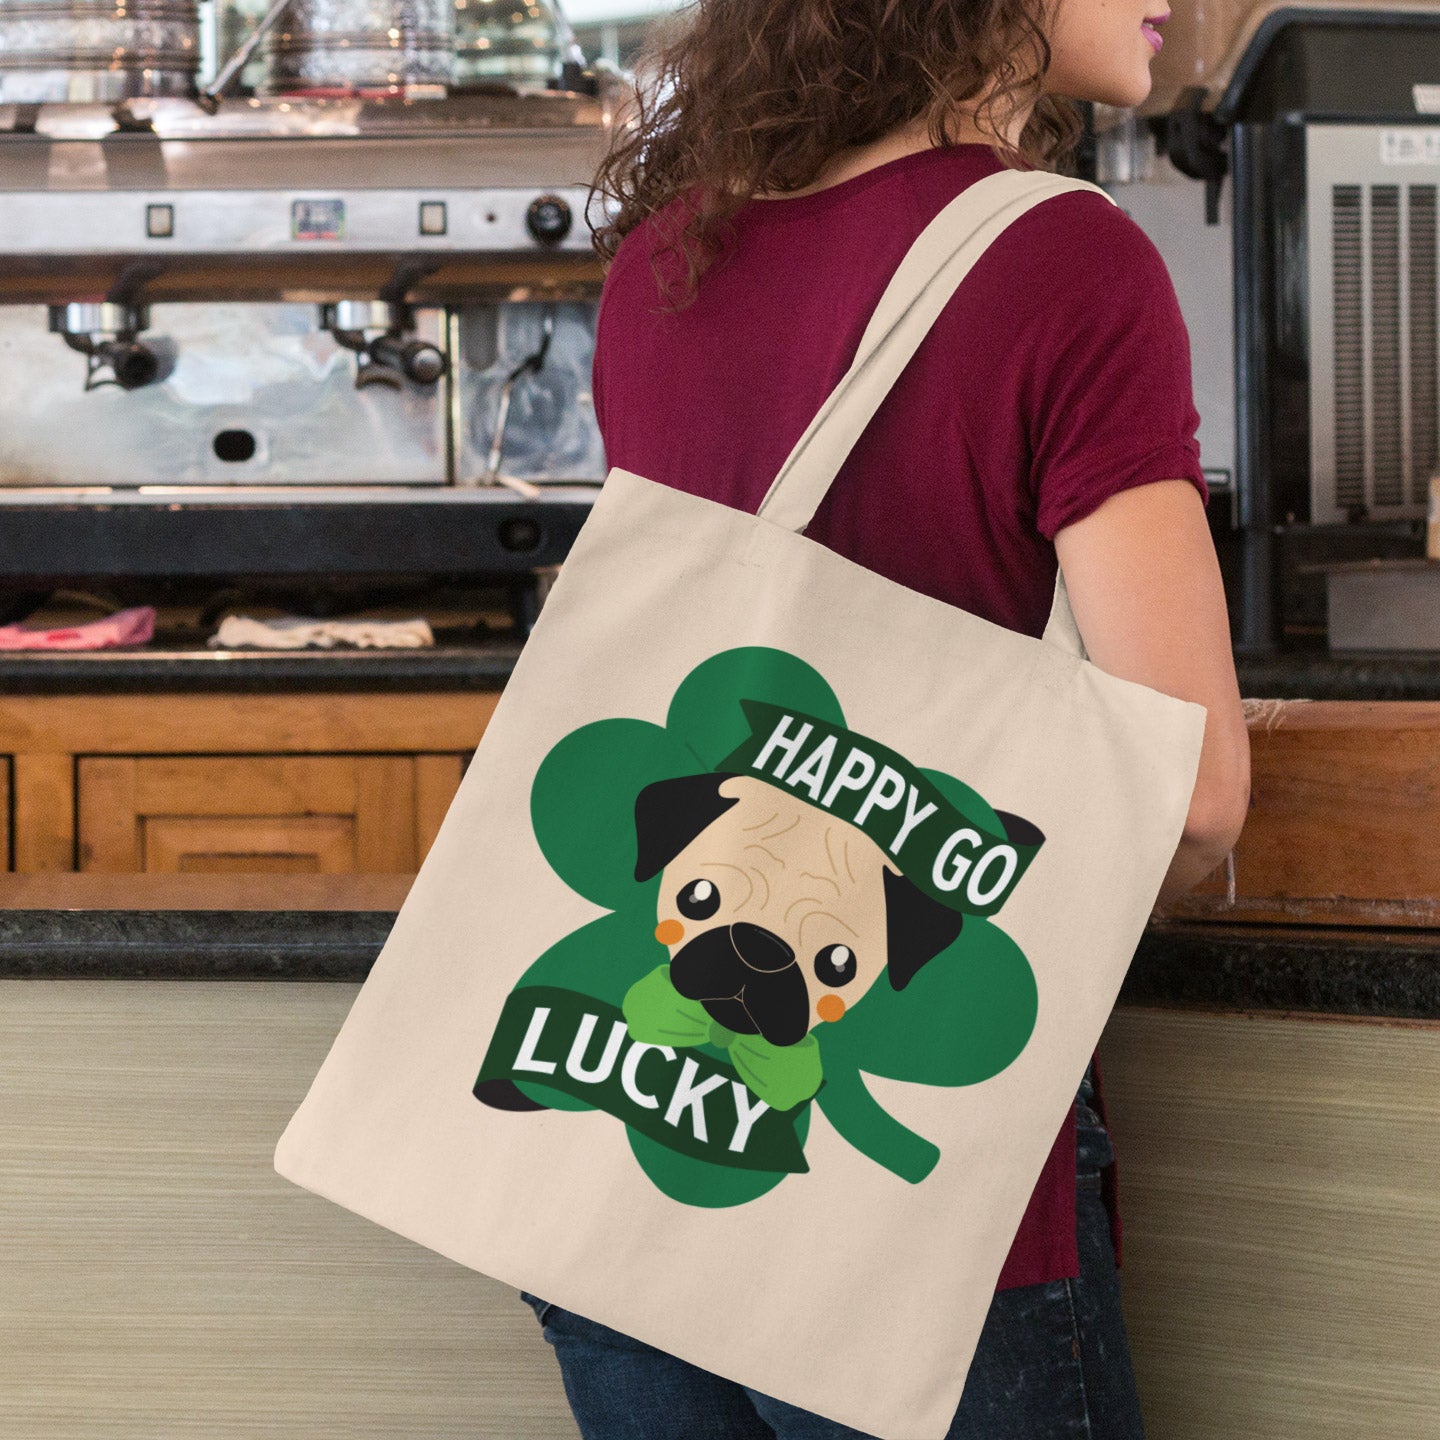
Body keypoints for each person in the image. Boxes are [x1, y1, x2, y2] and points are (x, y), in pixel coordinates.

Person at [519, 0, 1252, 1433]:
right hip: (919, 1209)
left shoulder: (665, 262)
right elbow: (1198, 790)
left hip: (633, 1156)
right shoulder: (1064, 256)